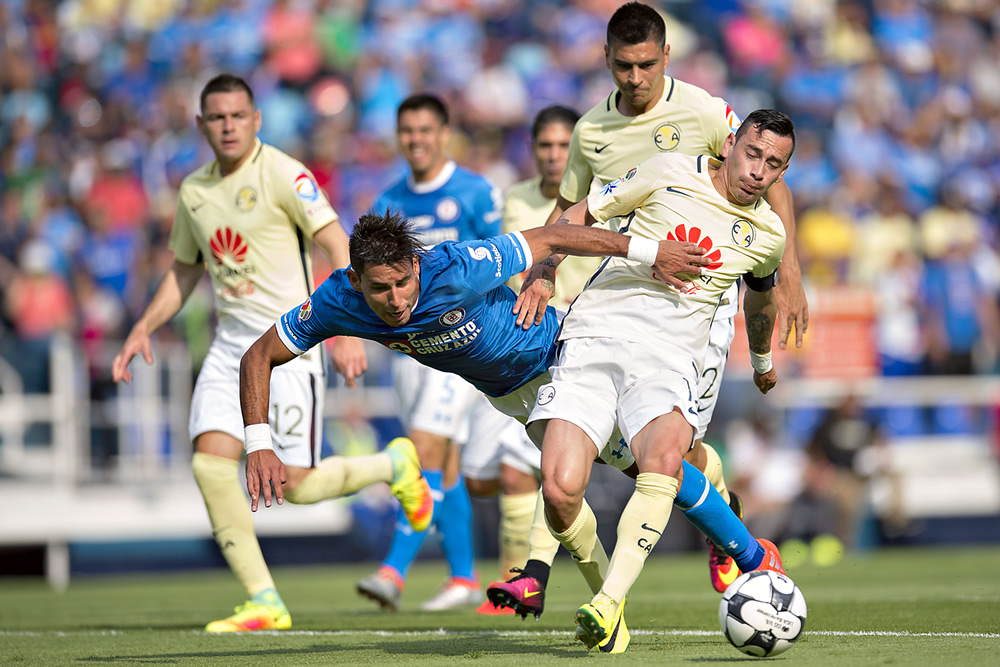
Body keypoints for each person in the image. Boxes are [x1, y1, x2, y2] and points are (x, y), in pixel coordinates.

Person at [241, 208, 784, 653]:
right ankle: (706, 528)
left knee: (637, 473)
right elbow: (258, 356)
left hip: (563, 360)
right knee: (607, 483)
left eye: (404, 282)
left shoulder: (455, 268)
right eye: (381, 289)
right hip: (511, 398)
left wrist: (649, 250)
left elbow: (551, 236)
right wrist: (259, 444)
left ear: (416, 265)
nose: (397, 300)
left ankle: (741, 559)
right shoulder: (337, 301)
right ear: (357, 280)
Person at [500, 1, 808, 606]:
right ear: (607, 60)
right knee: (620, 456)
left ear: (666, 56)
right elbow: (572, 208)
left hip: (700, 306)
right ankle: (717, 517)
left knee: (666, 454)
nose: (636, 78)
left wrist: (788, 271)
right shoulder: (591, 132)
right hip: (619, 288)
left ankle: (719, 535)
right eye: (624, 66)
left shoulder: (705, 111)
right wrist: (543, 270)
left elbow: (768, 182)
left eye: (646, 65)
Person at [111, 74, 432, 633]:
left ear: (256, 119)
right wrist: (144, 326)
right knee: (210, 463)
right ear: (201, 124)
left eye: (238, 115)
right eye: (218, 117)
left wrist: (347, 329)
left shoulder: (285, 173)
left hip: (288, 344)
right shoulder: (193, 192)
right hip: (229, 347)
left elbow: (336, 244)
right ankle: (264, 599)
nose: (229, 126)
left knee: (296, 486)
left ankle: (393, 466)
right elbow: (185, 270)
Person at [527, 109, 796, 651]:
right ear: (731, 144)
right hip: (595, 336)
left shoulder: (768, 233)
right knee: (559, 491)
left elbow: (760, 300)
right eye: (752, 153)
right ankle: (607, 594)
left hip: (669, 360)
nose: (758, 171)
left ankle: (608, 603)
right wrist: (545, 269)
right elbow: (583, 213)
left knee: (665, 458)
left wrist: (763, 360)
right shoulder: (667, 169)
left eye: (773, 164)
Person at [356, 93, 502, 612]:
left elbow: (502, 260)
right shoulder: (388, 202)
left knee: (421, 450)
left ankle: (393, 570)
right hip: (408, 354)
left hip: (459, 348)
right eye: (407, 131)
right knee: (444, 463)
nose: (415, 140)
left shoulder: (475, 192)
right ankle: (463, 576)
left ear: (443, 134)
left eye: (424, 130)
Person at [462, 105, 594, 616]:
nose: (555, 155)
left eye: (564, 145)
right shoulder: (515, 198)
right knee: (487, 477)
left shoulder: (599, 198)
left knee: (539, 467)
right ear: (533, 149)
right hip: (526, 336)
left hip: (582, 336)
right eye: (546, 145)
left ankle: (525, 575)